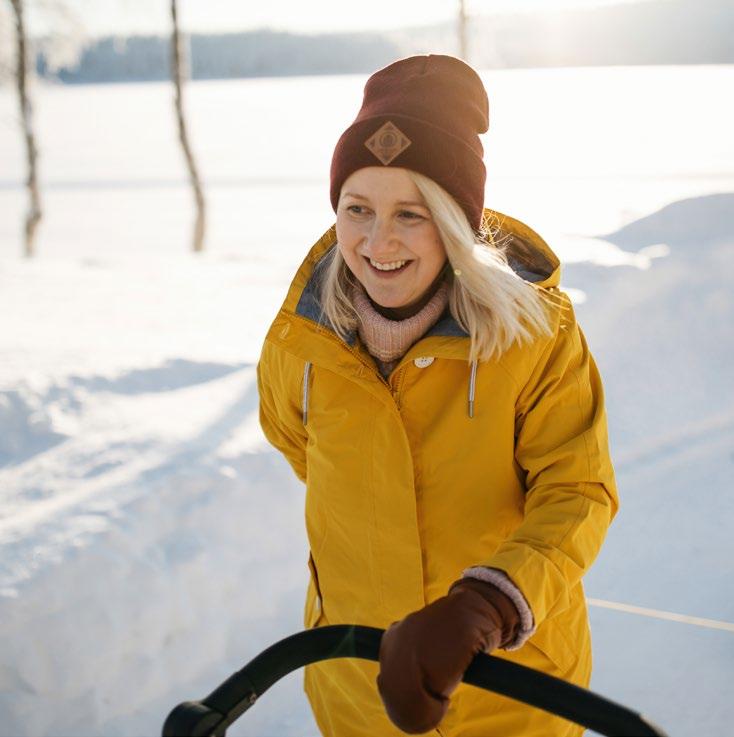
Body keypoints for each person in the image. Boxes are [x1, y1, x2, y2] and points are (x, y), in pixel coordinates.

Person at [257, 54, 618, 737]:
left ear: (454, 222)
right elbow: (299, 447)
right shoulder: (301, 344)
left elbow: (578, 491)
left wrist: (487, 603)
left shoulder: (533, 336)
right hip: (354, 686)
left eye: (411, 214)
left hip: (512, 693)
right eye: (356, 209)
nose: (377, 240)